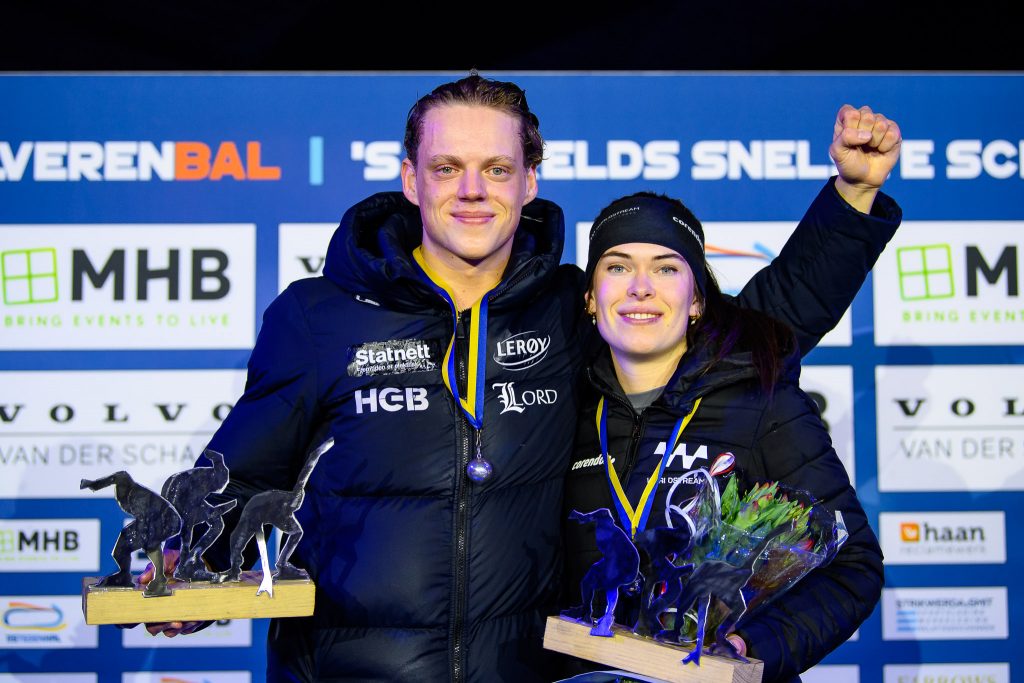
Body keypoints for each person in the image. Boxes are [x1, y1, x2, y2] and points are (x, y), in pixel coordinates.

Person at [143, 75, 902, 682]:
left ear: (529, 181)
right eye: (447, 167)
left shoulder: (567, 310)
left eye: (497, 169)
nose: (472, 190)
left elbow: (746, 330)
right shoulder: (320, 316)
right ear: (410, 178)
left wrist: (851, 200)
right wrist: (189, 569)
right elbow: (237, 479)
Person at [562, 192, 884, 682]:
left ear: (696, 300)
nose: (641, 288)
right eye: (618, 267)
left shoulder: (762, 403)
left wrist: (746, 645)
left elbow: (851, 566)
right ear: (590, 297)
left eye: (666, 268)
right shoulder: (563, 409)